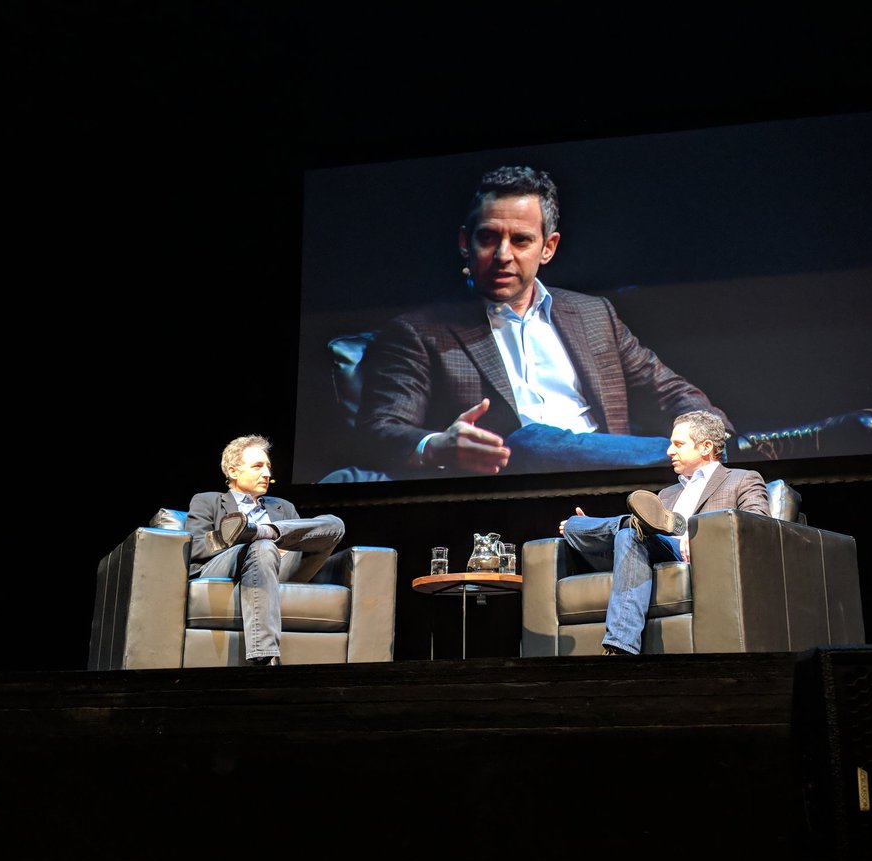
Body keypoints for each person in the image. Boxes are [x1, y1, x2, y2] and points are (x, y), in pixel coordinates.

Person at [353, 164, 738, 479]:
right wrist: (435, 445)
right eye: (488, 238)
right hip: (514, 483)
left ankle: (701, 457)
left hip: (613, 483)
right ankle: (682, 459)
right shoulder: (419, 332)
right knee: (530, 441)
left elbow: (669, 391)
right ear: (465, 242)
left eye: (520, 240)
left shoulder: (593, 314)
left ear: (548, 247)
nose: (503, 255)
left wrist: (713, 438)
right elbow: (379, 431)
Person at [558, 410, 770, 656]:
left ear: (706, 447)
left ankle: (611, 527)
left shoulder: (743, 480)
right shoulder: (667, 495)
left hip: (703, 557)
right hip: (661, 552)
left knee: (620, 530)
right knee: (628, 535)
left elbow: (758, 526)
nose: (669, 451)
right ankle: (626, 526)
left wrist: (700, 537)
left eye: (678, 444)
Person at [187, 434, 346, 666]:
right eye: (258, 466)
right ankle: (263, 657)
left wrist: (270, 540)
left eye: (268, 467)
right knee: (262, 546)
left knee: (334, 524)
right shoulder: (207, 501)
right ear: (233, 471)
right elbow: (196, 547)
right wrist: (242, 541)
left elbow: (303, 543)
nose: (267, 473)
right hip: (226, 567)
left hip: (280, 567)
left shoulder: (283, 507)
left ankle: (264, 531)